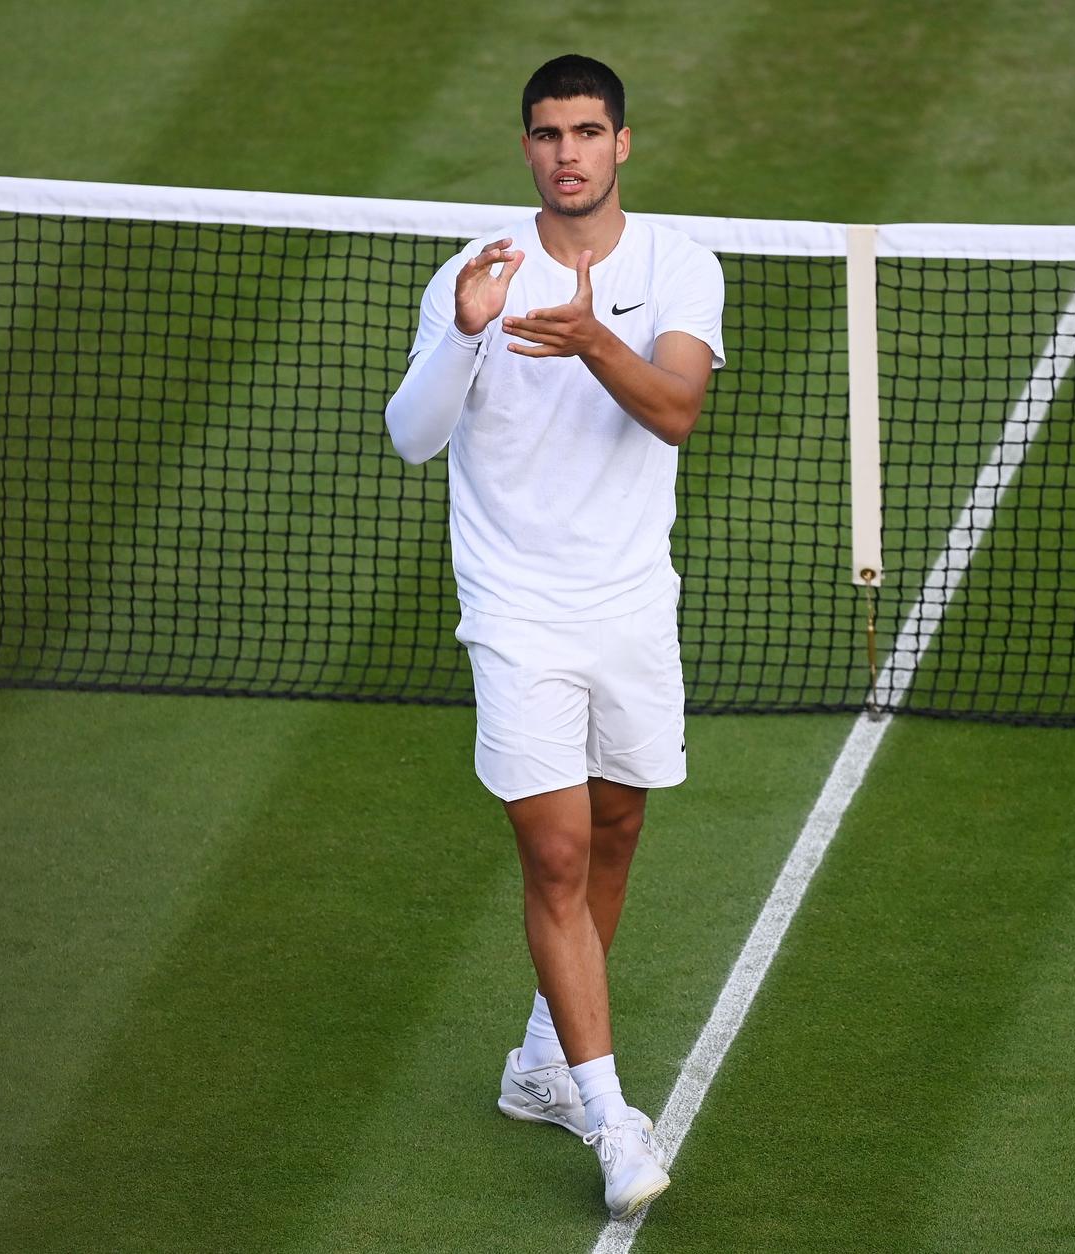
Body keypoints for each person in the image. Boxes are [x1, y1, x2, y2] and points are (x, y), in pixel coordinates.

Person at [382, 53, 724, 1221]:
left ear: (621, 143)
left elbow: (674, 408)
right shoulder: (474, 275)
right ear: (525, 148)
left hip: (630, 604)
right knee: (560, 857)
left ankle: (540, 1058)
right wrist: (465, 335)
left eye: (587, 131)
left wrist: (588, 340)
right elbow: (412, 438)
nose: (567, 152)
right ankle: (610, 1115)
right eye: (546, 134)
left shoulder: (678, 264)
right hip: (515, 612)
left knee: (618, 823)